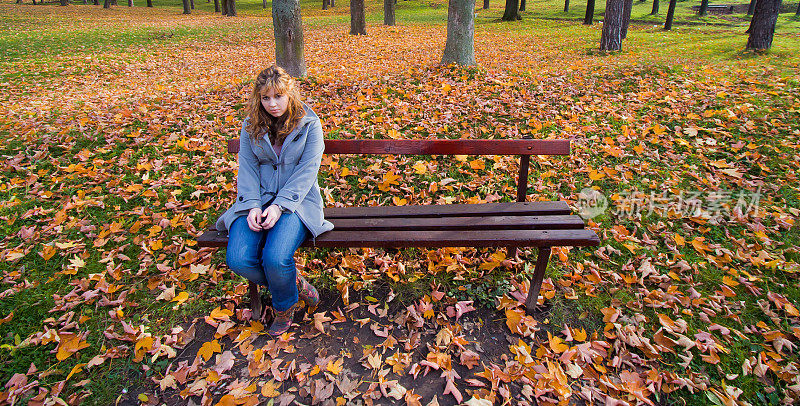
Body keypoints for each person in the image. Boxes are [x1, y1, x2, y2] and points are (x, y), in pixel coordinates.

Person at [215, 65, 334, 336]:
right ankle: (296, 285)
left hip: (298, 202)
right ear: (258, 98)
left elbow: (308, 170)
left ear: (290, 94)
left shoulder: (309, 124)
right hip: (257, 199)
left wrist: (280, 206)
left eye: (278, 96)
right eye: (266, 98)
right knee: (238, 259)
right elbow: (247, 167)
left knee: (276, 258)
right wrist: (252, 205)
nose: (272, 104)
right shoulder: (250, 126)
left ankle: (284, 305)